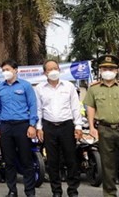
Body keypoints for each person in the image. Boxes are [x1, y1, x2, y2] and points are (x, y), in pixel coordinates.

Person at [83, 54, 119, 197]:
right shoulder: (94, 88)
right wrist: (92, 127)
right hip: (104, 129)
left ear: (116, 71)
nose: (107, 70)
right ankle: (110, 194)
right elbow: (90, 108)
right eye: (104, 68)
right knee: (108, 165)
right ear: (100, 70)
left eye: (111, 68)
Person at [35, 60, 82, 197]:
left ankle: (73, 190)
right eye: (49, 69)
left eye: (55, 68)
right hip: (49, 127)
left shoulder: (69, 86)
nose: (53, 71)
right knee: (52, 161)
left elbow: (75, 107)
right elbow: (38, 109)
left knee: (71, 160)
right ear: (45, 73)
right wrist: (39, 128)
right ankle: (56, 191)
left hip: (67, 126)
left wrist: (78, 126)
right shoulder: (39, 88)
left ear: (59, 69)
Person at [0, 59, 38, 197]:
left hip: (22, 126)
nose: (6, 72)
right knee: (9, 160)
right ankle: (12, 190)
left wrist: (32, 125)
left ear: (16, 70)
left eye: (8, 69)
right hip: (5, 126)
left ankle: (30, 191)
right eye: (3, 70)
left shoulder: (26, 86)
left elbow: (33, 106)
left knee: (26, 159)